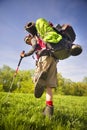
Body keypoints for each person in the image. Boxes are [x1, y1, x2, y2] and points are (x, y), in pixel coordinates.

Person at [21, 25, 58, 117]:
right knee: (49, 86)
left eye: (27, 40)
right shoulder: (42, 37)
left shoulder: (34, 38)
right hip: (53, 59)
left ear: (29, 37)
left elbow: (33, 48)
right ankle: (49, 111)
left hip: (43, 58)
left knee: (35, 78)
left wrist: (24, 55)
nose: (28, 42)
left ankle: (39, 77)